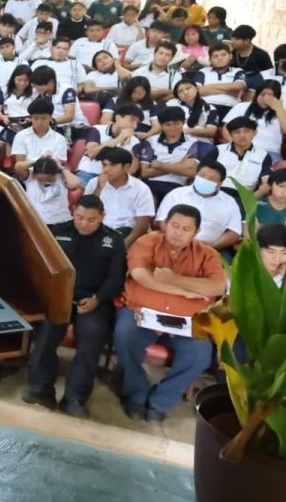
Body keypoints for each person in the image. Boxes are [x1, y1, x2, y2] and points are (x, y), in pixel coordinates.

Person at [115, 204, 226, 422]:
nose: (178, 232)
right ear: (164, 224)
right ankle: (137, 395)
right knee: (124, 336)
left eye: (186, 229)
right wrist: (184, 291)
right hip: (142, 313)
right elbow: (140, 276)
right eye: (174, 225)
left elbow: (217, 288)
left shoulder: (208, 254)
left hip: (185, 322)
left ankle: (160, 402)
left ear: (197, 232)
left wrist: (172, 278)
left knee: (200, 355)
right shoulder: (147, 242)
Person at [23, 195, 127, 418]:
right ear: (73, 212)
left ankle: (74, 398)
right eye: (79, 217)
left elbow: (116, 278)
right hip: (60, 297)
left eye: (91, 220)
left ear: (102, 218)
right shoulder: (57, 231)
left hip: (94, 301)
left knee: (92, 337)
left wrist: (98, 299)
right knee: (47, 333)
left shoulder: (114, 240)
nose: (84, 223)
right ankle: (40, 389)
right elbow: (42, 266)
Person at [154, 162, 242, 253]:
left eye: (211, 179)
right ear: (195, 175)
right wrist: (181, 242)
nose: (205, 180)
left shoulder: (230, 202)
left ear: (220, 184)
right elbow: (161, 221)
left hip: (210, 251)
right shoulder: (176, 194)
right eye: (202, 176)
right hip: (173, 247)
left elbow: (234, 232)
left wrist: (211, 247)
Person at [84, 148, 155, 247]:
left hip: (126, 232)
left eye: (113, 165)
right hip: (98, 230)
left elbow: (142, 226)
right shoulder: (94, 183)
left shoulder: (141, 189)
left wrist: (123, 246)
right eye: (104, 165)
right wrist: (99, 187)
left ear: (126, 167)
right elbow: (87, 211)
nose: (106, 170)